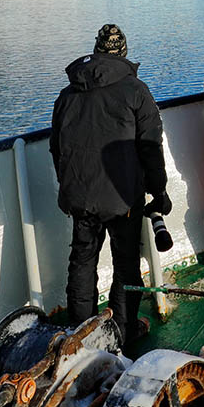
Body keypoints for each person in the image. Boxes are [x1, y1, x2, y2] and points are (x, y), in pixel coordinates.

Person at [50, 24, 171, 346]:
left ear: (97, 51)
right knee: (126, 262)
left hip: (79, 194)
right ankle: (124, 330)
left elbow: (56, 147)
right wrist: (158, 191)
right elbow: (150, 146)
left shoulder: (68, 94)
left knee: (82, 260)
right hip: (122, 197)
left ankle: (80, 337)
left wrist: (68, 183)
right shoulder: (135, 91)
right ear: (123, 52)